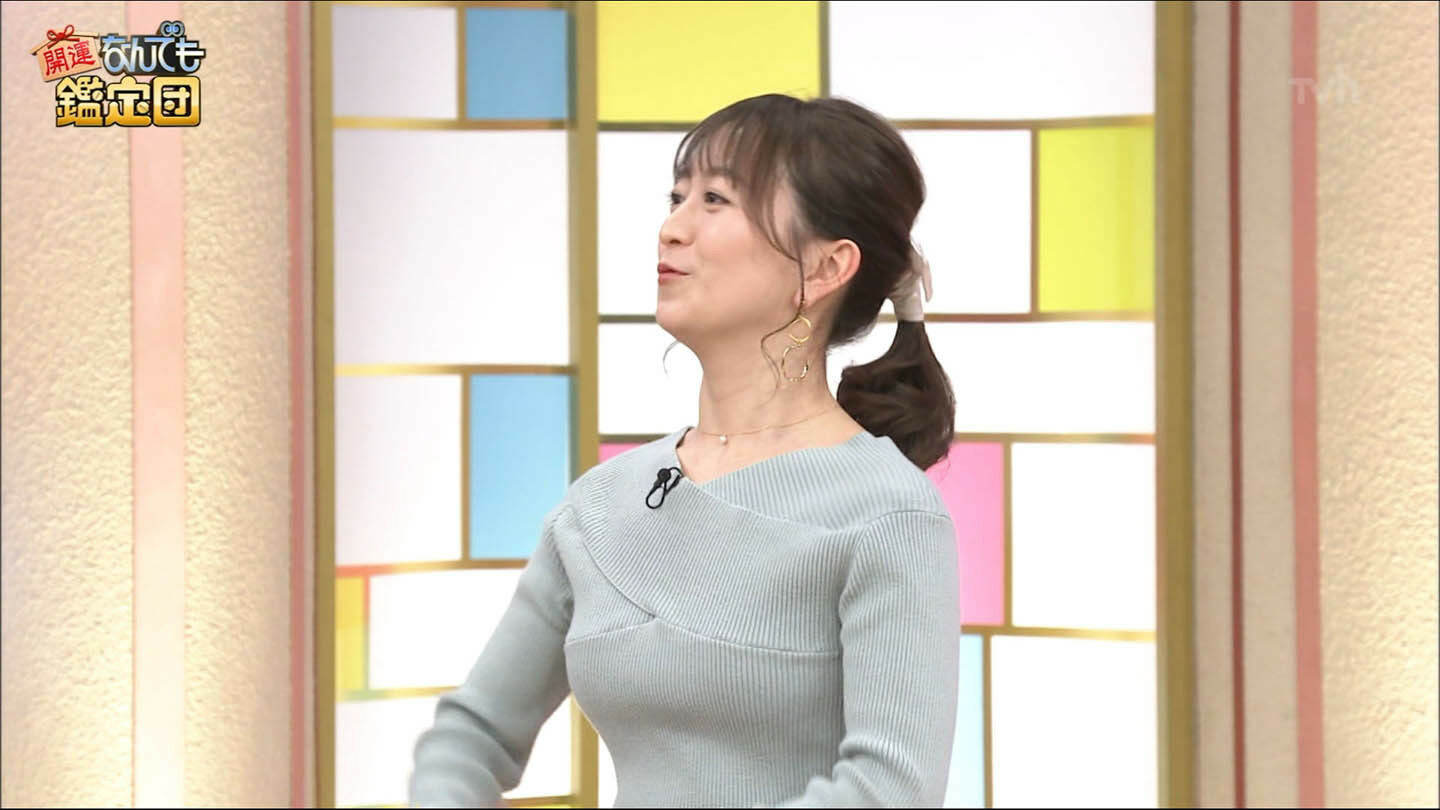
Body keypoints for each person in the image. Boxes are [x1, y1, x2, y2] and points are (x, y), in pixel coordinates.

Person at [409, 93, 961, 808]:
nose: (672, 229)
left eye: (716, 199)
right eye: (676, 198)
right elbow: (469, 736)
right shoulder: (599, 508)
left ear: (826, 267)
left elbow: (890, 792)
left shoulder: (887, 514)